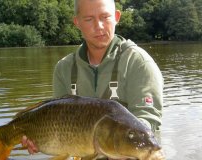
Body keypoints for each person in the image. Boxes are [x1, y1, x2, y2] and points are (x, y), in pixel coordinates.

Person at [22, 0, 164, 157]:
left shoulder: (139, 63)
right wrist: (39, 138)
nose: (99, 26)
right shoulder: (64, 68)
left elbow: (148, 119)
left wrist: (130, 137)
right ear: (77, 22)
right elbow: (56, 122)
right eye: (89, 19)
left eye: (105, 17)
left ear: (116, 17)